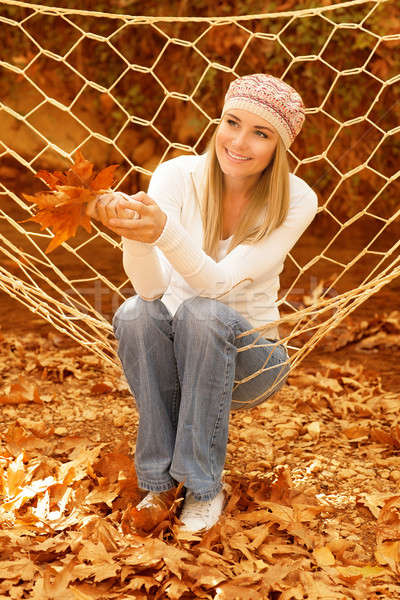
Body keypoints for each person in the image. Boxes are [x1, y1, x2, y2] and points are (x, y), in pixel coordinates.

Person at [86, 73, 318, 533]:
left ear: (279, 146)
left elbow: (217, 287)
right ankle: (158, 483)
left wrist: (164, 232)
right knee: (134, 312)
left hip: (252, 359)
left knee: (201, 311)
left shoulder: (296, 198)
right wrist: (136, 237)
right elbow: (151, 291)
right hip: (176, 350)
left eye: (261, 132)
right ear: (219, 120)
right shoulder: (176, 174)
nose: (239, 141)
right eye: (232, 122)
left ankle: (203, 486)